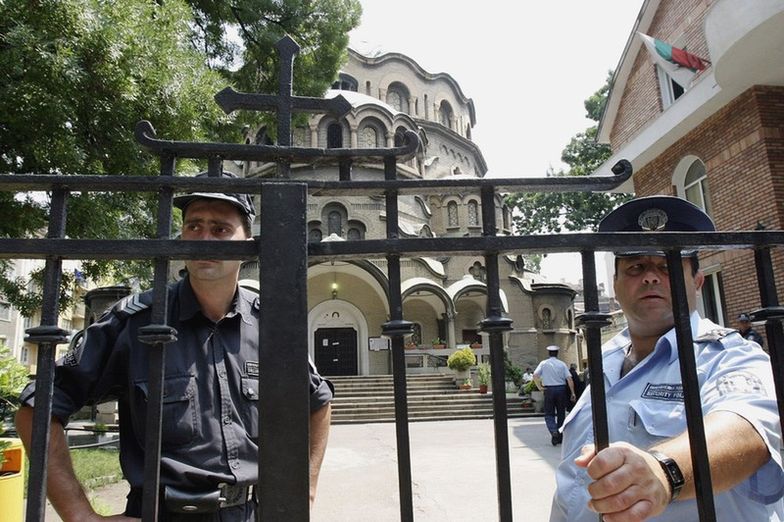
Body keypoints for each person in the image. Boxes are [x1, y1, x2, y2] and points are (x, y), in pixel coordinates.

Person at [15, 172, 334, 521]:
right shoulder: (136, 323)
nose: (204, 238)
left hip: (251, 513)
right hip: (161, 512)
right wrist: (78, 513)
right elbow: (39, 407)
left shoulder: (271, 323)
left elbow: (316, 401)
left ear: (247, 242)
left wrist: (307, 490)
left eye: (220, 228)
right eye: (194, 226)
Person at [550, 196, 784, 521]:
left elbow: (749, 428)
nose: (650, 277)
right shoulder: (606, 360)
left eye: (666, 266)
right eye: (636, 267)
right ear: (615, 285)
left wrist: (663, 472)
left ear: (697, 282)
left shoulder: (730, 354)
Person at [533, 345, 576, 446]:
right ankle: (559, 435)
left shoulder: (543, 363)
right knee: (561, 413)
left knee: (549, 413)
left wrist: (539, 387)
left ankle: (553, 431)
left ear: (549, 353)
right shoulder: (562, 364)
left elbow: (535, 375)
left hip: (549, 390)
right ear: (557, 353)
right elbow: (569, 379)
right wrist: (573, 392)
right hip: (561, 389)